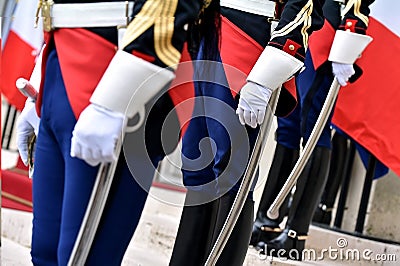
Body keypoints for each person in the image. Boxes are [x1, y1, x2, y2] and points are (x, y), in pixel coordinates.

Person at [15, 0, 211, 265]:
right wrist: (40, 82)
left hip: (116, 68)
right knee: (44, 252)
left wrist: (118, 98)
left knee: (85, 257)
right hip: (61, 60)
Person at [169, 0, 328, 265]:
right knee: (197, 165)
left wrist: (271, 68)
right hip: (208, 24)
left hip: (248, 30)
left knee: (233, 173)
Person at [248, 0, 374, 260]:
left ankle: (296, 234)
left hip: (329, 25)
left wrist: (352, 26)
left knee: (315, 127)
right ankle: (266, 220)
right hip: (301, 24)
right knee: (289, 124)